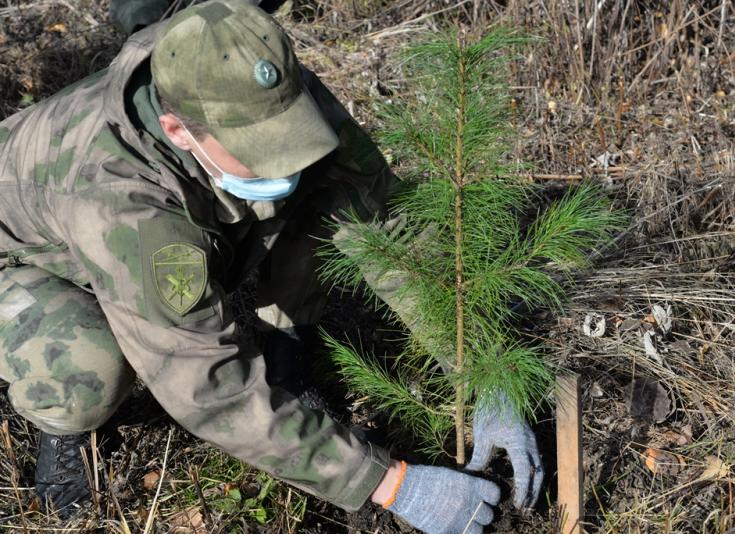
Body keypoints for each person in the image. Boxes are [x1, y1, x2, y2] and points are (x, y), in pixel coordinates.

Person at [0, 1, 543, 531]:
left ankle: (284, 355)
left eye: (286, 135)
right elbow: (209, 387)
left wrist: (483, 369)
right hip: (26, 262)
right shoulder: (121, 203)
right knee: (91, 365)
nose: (283, 159)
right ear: (178, 130)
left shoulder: (255, 87)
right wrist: (388, 483)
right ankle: (61, 424)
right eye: (257, 148)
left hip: (149, 227)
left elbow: (385, 224)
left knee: (319, 198)